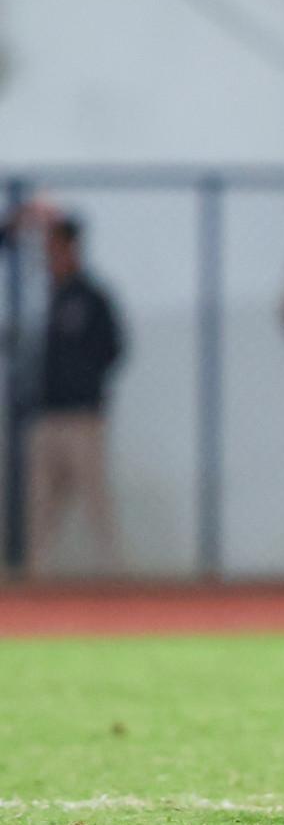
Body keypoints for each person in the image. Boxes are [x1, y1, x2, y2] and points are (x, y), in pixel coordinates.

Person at [26, 216, 124, 576]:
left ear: (70, 248)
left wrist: (84, 381)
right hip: (49, 416)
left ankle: (117, 577)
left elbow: (113, 348)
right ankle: (37, 579)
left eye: (55, 247)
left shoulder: (91, 297)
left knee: (95, 499)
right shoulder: (50, 298)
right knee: (43, 504)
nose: (49, 256)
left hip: (83, 416)